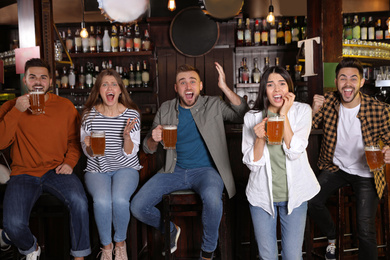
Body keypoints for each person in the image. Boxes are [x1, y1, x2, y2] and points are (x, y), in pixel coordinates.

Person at [131, 63, 248, 260]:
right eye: (182, 82)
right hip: (173, 170)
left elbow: (242, 113)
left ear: (200, 86)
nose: (188, 86)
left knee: (213, 199)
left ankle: (207, 252)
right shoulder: (166, 108)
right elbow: (147, 148)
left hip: (206, 171)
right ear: (176, 88)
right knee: (137, 206)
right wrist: (153, 138)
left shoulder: (213, 104)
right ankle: (169, 230)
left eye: (192, 82)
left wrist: (224, 87)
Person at [0, 58, 91, 259]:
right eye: (33, 77)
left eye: (43, 77)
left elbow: (74, 141)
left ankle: (79, 256)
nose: (38, 82)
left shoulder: (65, 107)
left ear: (50, 81)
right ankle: (31, 247)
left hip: (57, 171)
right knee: (13, 225)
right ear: (25, 81)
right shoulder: (11, 107)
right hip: (23, 173)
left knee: (79, 202)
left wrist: (69, 162)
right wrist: (16, 112)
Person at [308, 57, 390, 260]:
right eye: (343, 78)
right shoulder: (328, 103)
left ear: (362, 82)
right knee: (310, 201)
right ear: (336, 81)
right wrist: (312, 110)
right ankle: (332, 236)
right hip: (335, 168)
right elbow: (304, 129)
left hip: (367, 172)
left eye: (353, 78)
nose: (347, 83)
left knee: (365, 229)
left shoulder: (379, 109)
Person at [242, 66, 320, 259]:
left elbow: (294, 151)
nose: (277, 90)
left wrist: (283, 115)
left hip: (295, 195)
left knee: (293, 257)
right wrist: (259, 138)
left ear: (289, 88)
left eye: (282, 84)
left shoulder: (303, 111)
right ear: (264, 90)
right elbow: (252, 164)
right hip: (261, 196)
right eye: (270, 85)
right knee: (267, 256)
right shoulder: (251, 117)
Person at [80, 69, 141, 260]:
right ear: (98, 91)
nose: (109, 88)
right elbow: (88, 153)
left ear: (120, 90)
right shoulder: (89, 116)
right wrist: (88, 145)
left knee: (120, 200)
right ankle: (106, 248)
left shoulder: (132, 115)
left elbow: (131, 151)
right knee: (102, 201)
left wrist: (126, 137)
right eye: (104, 84)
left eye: (114, 84)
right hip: (97, 169)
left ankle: (120, 244)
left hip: (126, 167)